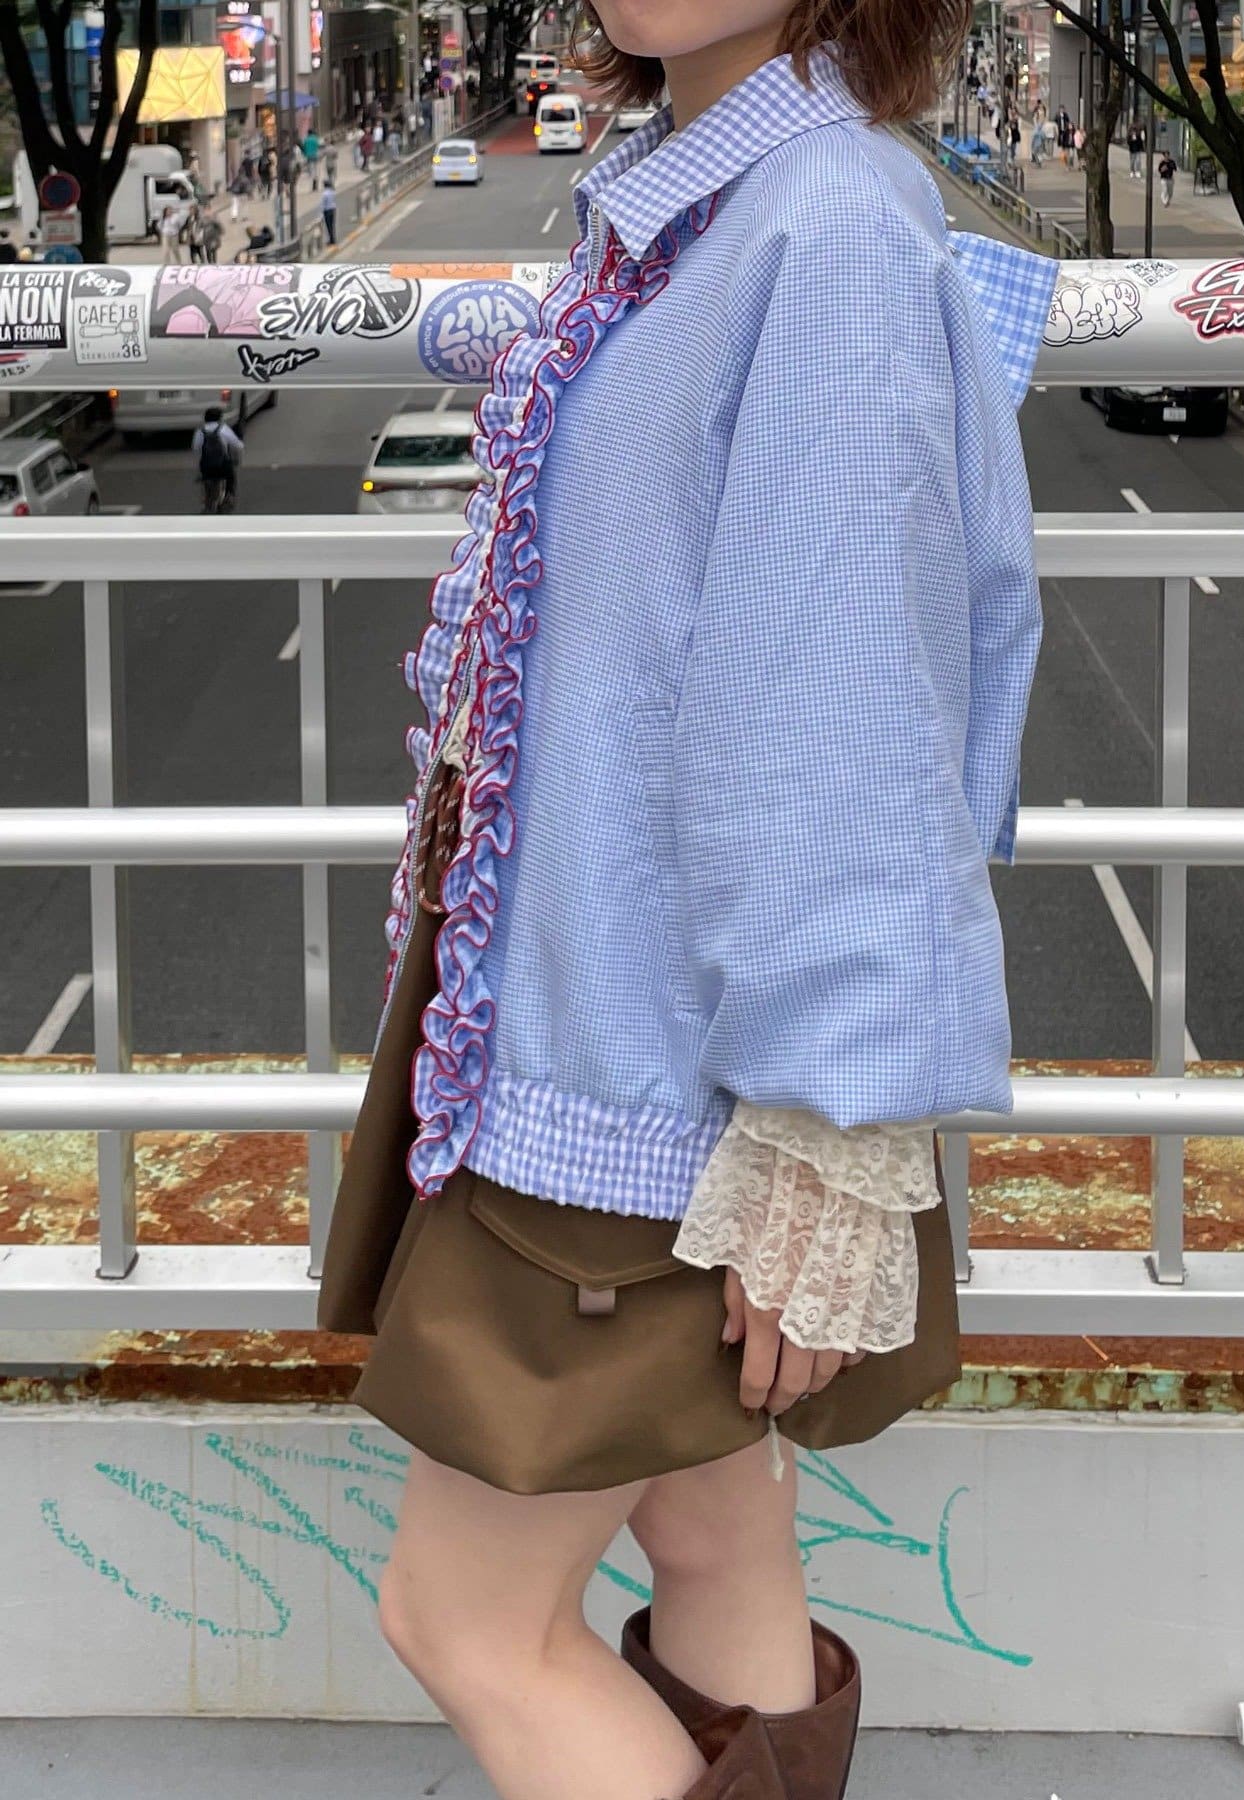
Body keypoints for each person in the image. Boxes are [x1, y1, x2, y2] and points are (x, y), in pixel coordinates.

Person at [313, 4, 1051, 1798]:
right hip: (621, 1036)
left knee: (466, 1619)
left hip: (641, 1095)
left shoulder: (826, 219)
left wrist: (827, 1123)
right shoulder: (705, 196)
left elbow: (849, 704)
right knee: (717, 1542)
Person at [192, 406, 243, 513]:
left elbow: (196, 448)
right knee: (231, 478)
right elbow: (238, 446)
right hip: (222, 466)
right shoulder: (223, 429)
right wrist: (236, 458)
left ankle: (206, 502)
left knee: (206, 481)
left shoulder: (200, 431)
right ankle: (228, 497)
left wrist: (198, 469)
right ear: (220, 418)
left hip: (206, 467)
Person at [158, 199, 186, 263]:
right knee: (166, 250)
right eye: (167, 210)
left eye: (170, 210)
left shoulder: (176, 217)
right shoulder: (163, 218)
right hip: (166, 235)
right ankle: (167, 263)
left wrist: (177, 230)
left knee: (175, 249)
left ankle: (179, 262)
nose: (169, 211)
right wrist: (163, 231)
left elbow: (180, 224)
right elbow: (159, 225)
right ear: (165, 211)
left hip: (174, 235)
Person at [319, 176, 337, 246]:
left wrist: (321, 213)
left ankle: (331, 240)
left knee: (328, 226)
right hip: (333, 209)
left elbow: (323, 204)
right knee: (332, 225)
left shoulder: (324, 194)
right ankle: (333, 239)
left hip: (327, 211)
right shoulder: (332, 192)